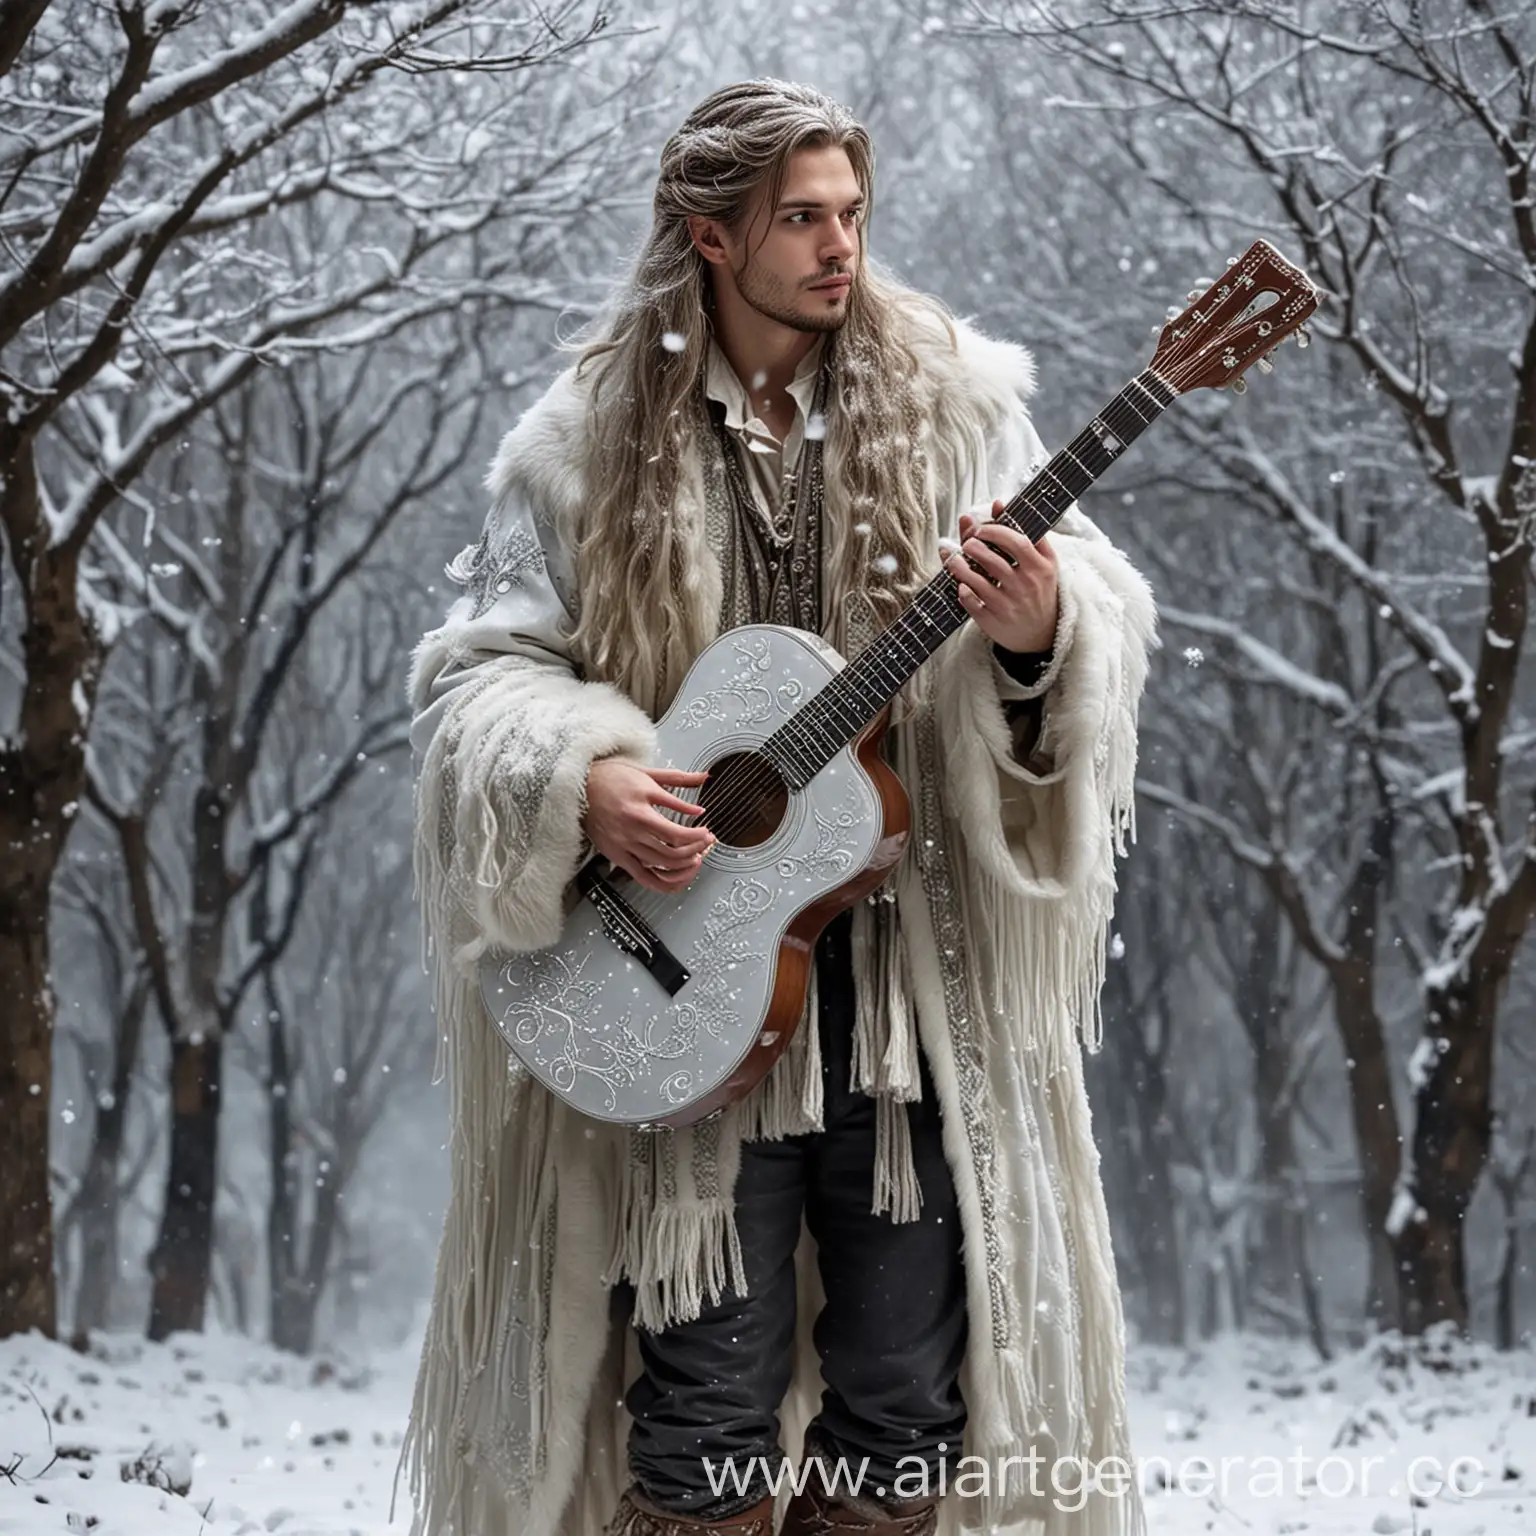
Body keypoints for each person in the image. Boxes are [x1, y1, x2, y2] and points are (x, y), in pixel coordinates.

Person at [401, 79, 1155, 1536]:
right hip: (689, 984)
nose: (838, 249)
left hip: (907, 1008)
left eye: (852, 216)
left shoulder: (953, 410)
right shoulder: (583, 445)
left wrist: (1038, 633)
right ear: (706, 235)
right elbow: (480, 672)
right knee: (701, 1413)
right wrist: (588, 776)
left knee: (905, 1405)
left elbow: (1092, 608)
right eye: (800, 219)